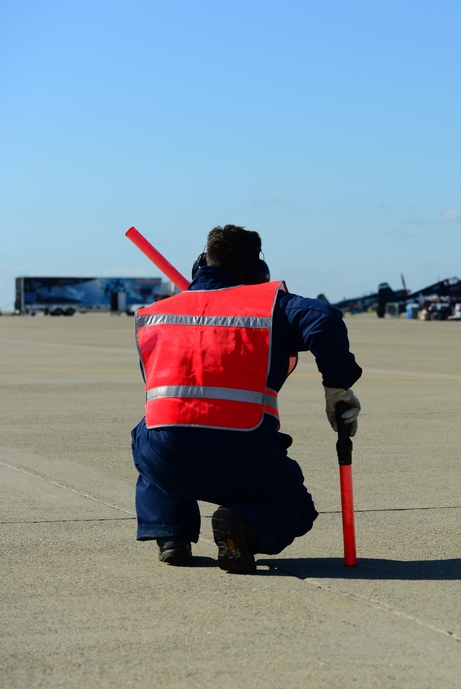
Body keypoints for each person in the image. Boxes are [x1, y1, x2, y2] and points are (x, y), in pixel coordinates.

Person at [130, 225, 362, 574]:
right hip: (245, 456)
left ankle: (172, 534)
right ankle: (244, 526)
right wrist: (337, 387)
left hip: (169, 458)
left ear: (200, 263)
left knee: (149, 431)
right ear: (257, 269)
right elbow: (324, 318)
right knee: (296, 508)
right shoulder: (269, 306)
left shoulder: (156, 314)